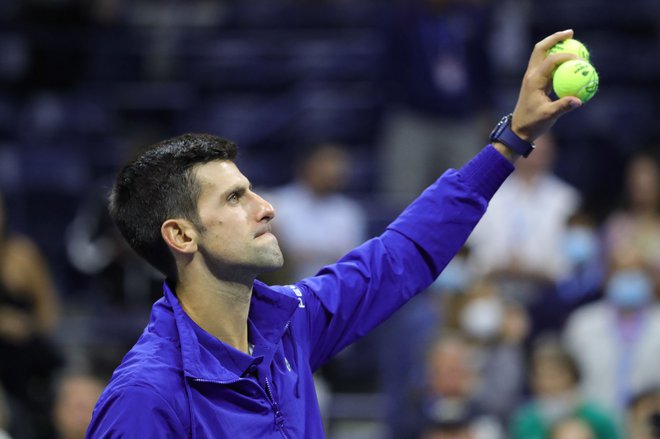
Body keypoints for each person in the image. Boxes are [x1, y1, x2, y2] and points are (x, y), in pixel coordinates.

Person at [87, 30, 583, 437]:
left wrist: (512, 138)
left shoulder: (290, 323)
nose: (266, 209)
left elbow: (399, 255)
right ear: (181, 235)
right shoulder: (145, 397)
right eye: (235, 198)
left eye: (251, 190)